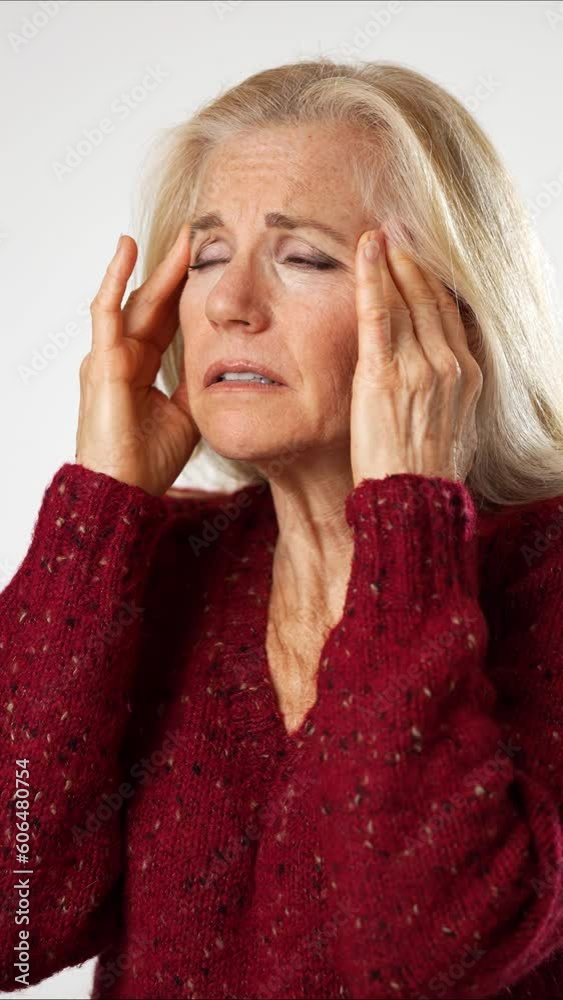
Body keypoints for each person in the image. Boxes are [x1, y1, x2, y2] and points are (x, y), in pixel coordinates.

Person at [1, 58, 563, 1000]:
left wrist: (407, 533)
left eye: (303, 258)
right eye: (209, 255)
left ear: (450, 319)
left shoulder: (543, 581)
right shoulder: (164, 571)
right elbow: (14, 925)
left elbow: (414, 955)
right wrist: (97, 514)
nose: (228, 304)